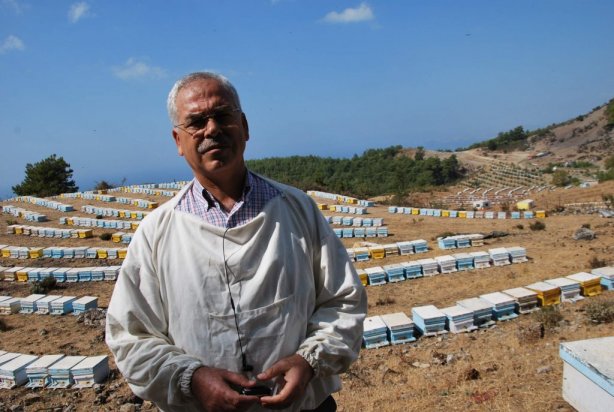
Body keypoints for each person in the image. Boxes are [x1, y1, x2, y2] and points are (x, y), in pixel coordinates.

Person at [106, 71, 367, 412]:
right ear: (178, 141)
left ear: (244, 126)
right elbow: (131, 335)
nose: (212, 129)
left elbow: (343, 301)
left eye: (223, 116)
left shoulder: (297, 209)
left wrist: (309, 362)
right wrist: (192, 379)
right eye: (196, 122)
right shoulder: (156, 231)